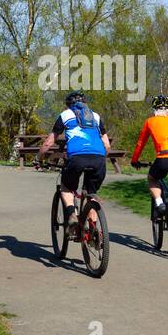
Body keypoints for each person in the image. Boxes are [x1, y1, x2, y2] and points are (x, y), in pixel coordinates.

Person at [39, 91, 111, 235]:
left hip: (77, 158)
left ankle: (72, 215)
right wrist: (101, 157)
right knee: (92, 193)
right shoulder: (95, 116)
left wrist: (39, 158)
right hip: (98, 158)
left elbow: (48, 143)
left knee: (66, 187)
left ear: (68, 105)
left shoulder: (65, 115)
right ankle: (94, 231)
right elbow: (107, 145)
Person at [130, 94, 168, 214]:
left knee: (152, 179)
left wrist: (134, 160)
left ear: (154, 109)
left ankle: (159, 202)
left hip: (164, 158)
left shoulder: (150, 121)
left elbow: (140, 143)